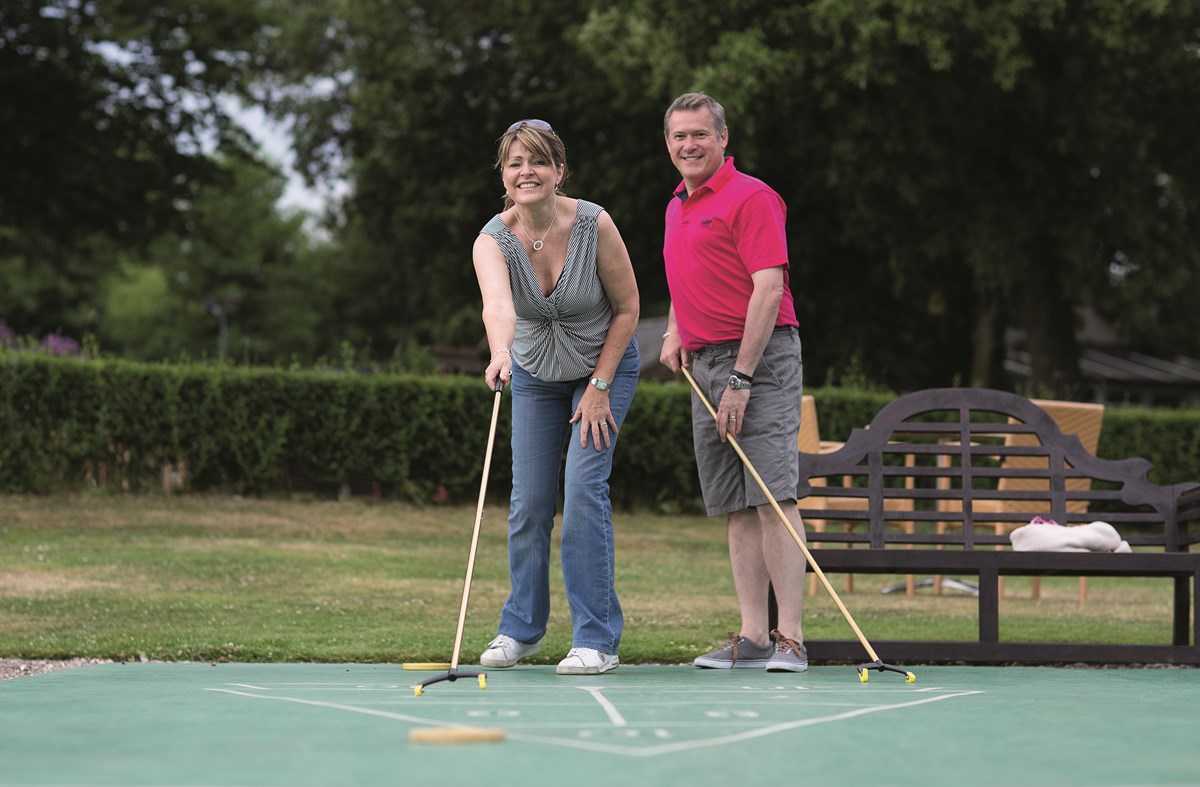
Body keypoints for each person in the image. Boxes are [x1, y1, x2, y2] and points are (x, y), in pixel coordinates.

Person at [472, 119, 640, 675]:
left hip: (603, 367)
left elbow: (628, 309)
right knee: (530, 502)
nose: (528, 172)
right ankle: (522, 629)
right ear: (504, 174)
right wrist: (500, 354)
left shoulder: (594, 223)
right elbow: (498, 306)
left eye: (539, 161)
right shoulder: (492, 238)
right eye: (516, 163)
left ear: (559, 170)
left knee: (583, 493)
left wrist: (598, 387)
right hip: (535, 374)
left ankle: (597, 640)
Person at [658, 92, 808, 671]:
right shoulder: (676, 203)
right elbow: (684, 278)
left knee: (773, 496)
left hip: (760, 361)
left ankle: (790, 638)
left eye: (699, 135)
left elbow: (768, 289)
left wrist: (742, 378)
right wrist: (674, 330)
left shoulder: (753, 197)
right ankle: (753, 639)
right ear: (668, 144)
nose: (689, 145)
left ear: (723, 139)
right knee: (735, 505)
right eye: (678, 137)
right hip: (704, 363)